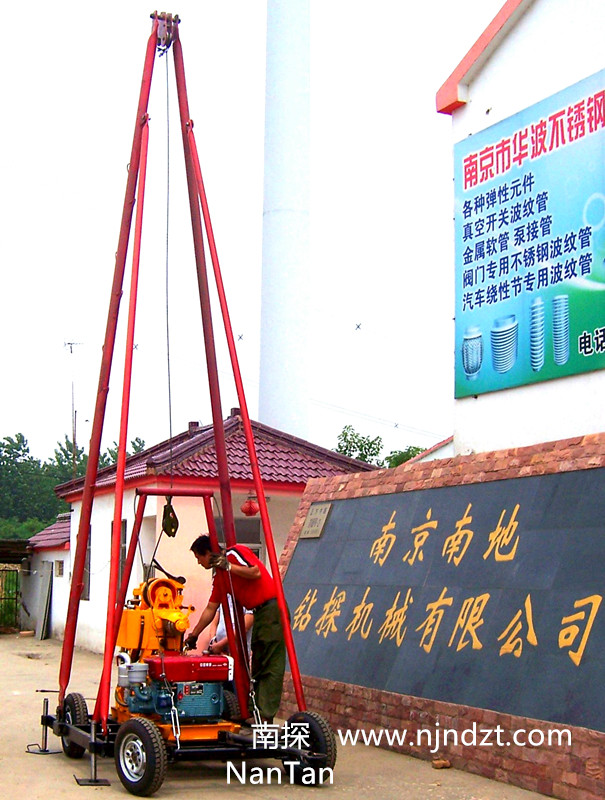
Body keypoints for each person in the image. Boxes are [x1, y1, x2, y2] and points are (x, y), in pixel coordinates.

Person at [184, 534, 285, 723]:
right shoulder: (220, 579)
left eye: (199, 558)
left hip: (271, 608)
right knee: (257, 664)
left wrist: (228, 565)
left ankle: (264, 715)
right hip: (260, 613)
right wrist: (194, 635)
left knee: (270, 664)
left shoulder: (234, 553)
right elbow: (210, 609)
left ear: (208, 553)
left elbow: (255, 572)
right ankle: (253, 712)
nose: (199, 563)